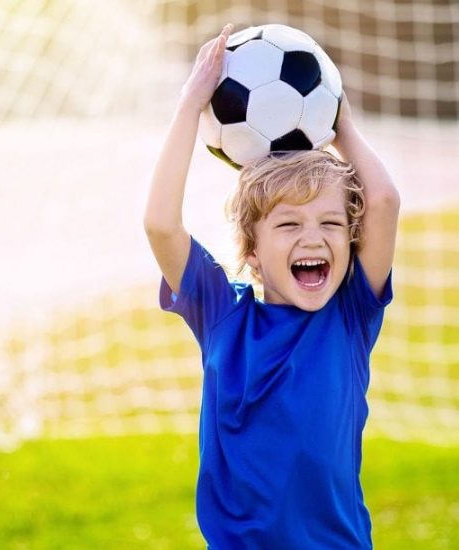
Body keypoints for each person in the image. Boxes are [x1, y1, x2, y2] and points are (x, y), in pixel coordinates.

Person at [143, 24, 400, 549]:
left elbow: (384, 203)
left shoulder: (350, 316)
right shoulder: (222, 316)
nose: (314, 238)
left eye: (331, 224)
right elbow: (161, 225)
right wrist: (190, 106)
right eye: (288, 225)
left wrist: (341, 123)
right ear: (253, 252)